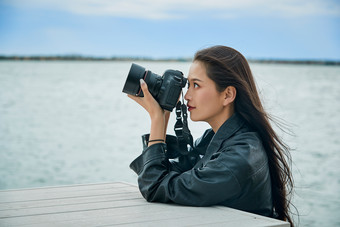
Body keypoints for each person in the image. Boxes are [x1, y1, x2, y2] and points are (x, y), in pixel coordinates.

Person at [127, 45, 295, 226]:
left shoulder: (238, 157)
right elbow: (168, 175)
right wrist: (163, 114)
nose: (187, 96)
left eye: (196, 85)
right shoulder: (220, 137)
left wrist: (157, 120)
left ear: (228, 94)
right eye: (187, 85)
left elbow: (154, 187)